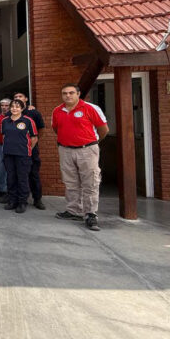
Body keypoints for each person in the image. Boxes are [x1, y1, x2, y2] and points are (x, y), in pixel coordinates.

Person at [51, 83, 109, 231]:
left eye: (71, 93)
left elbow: (103, 130)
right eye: (64, 93)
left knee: (90, 182)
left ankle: (90, 214)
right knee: (70, 182)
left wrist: (90, 143)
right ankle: (74, 211)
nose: (68, 96)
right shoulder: (57, 111)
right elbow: (57, 129)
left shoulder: (90, 108)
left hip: (87, 150)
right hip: (65, 150)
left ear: (78, 94)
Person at [1, 99, 38, 213]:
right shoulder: (5, 121)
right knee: (11, 178)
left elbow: (34, 138)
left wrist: (27, 150)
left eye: (17, 106)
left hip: (23, 155)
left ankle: (22, 202)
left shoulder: (28, 121)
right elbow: (4, 136)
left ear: (22, 108)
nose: (14, 108)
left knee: (22, 179)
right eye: (12, 106)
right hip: (8, 154)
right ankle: (12, 200)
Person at [14, 92, 46, 210]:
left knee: (33, 174)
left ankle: (37, 199)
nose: (18, 99)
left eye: (20, 97)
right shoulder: (11, 113)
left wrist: (32, 144)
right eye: (16, 98)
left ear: (26, 99)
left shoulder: (33, 112)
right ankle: (21, 199)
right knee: (19, 176)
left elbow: (40, 130)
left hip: (31, 150)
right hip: (16, 151)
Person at [0, 98, 11, 203]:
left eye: (6, 105)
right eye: (2, 105)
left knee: (11, 169)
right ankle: (2, 191)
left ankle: (11, 191)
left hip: (11, 147)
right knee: (0, 169)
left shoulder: (13, 117)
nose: (4, 108)